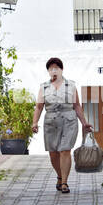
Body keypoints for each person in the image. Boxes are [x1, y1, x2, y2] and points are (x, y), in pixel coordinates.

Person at [32, 58, 91, 194]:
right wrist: (35, 122)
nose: (54, 70)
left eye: (56, 68)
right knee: (53, 154)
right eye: (51, 68)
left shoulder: (71, 85)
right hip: (51, 121)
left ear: (61, 70)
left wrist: (84, 123)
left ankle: (64, 182)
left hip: (69, 120)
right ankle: (59, 175)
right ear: (48, 71)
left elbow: (77, 105)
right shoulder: (44, 87)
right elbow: (39, 107)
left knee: (65, 150)